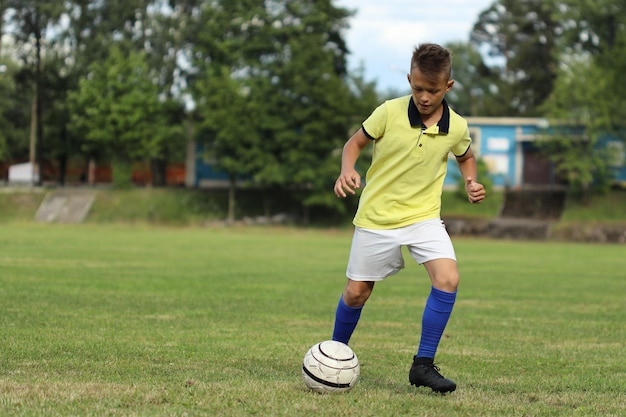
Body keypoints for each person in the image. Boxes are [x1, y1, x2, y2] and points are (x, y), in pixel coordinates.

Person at [332, 43, 486, 394]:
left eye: (432, 90)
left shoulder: (457, 126)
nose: (424, 97)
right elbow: (353, 144)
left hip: (423, 217)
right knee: (357, 293)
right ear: (409, 80)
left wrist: (471, 181)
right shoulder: (388, 112)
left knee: (448, 278)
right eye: (417, 88)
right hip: (377, 216)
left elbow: (466, 156)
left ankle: (423, 365)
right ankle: (335, 354)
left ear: (448, 86)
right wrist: (347, 169)